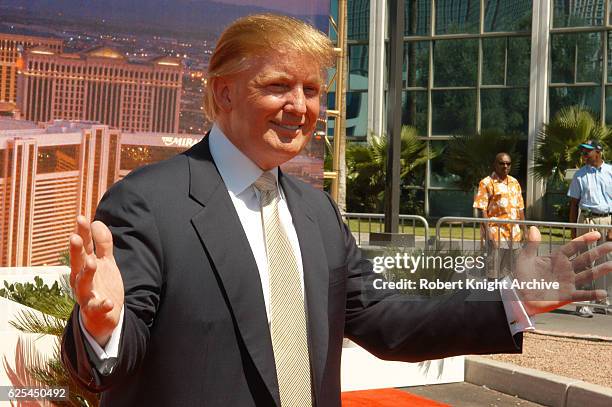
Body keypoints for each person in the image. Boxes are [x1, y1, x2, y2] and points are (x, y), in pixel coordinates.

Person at [61, 14, 612, 407]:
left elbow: (383, 320)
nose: (299, 107)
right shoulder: (148, 202)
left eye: (311, 89)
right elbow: (111, 363)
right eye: (278, 86)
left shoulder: (316, 211)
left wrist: (513, 300)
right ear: (224, 93)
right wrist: (102, 325)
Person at [568, 140, 612, 317]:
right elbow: (573, 204)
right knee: (585, 261)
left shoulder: (610, 172)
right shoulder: (579, 175)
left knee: (605, 262)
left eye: (588, 151)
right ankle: (583, 302)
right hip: (586, 220)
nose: (584, 154)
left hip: (607, 219)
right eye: (583, 151)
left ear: (598, 152)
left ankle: (602, 300)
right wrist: (572, 230)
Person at [473, 153, 525, 279]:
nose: (505, 166)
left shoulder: (515, 182)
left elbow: (520, 208)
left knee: (512, 273)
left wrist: (525, 230)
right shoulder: (486, 183)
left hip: (514, 235)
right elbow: (483, 210)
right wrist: (488, 233)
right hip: (496, 234)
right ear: (495, 165)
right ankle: (492, 298)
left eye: (508, 163)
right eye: (501, 163)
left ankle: (506, 298)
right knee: (493, 273)